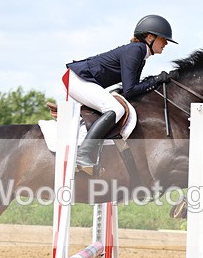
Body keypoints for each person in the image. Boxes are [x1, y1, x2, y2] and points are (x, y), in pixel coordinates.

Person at [64, 14, 178, 174]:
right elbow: (130, 90)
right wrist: (156, 80)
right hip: (77, 79)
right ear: (150, 37)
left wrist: (156, 80)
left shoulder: (140, 54)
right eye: (163, 39)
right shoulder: (135, 50)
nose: (166, 43)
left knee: (116, 107)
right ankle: (83, 155)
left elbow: (131, 90)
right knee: (116, 109)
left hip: (81, 79)